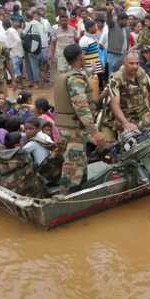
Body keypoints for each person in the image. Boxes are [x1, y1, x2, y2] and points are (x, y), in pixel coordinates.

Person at [53, 44, 107, 191]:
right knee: (73, 167)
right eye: (83, 54)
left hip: (64, 128)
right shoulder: (75, 79)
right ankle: (65, 198)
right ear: (80, 57)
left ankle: (79, 190)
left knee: (79, 162)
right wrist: (95, 132)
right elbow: (81, 107)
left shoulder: (62, 76)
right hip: (74, 130)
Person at [100, 51, 150, 139]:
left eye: (137, 63)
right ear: (124, 63)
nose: (135, 66)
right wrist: (125, 123)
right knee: (121, 142)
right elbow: (115, 104)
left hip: (140, 113)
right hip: (121, 116)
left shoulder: (143, 75)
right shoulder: (116, 79)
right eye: (131, 63)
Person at [0, 131, 47, 197]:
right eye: (21, 140)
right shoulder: (23, 155)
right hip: (20, 191)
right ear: (17, 145)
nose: (23, 142)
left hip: (3, 187)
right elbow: (33, 169)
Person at [50, 14, 78, 80]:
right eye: (62, 21)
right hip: (61, 55)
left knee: (71, 72)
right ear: (59, 21)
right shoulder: (56, 31)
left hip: (71, 55)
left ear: (68, 20)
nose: (64, 22)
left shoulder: (73, 30)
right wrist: (52, 55)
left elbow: (76, 42)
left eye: (65, 20)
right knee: (61, 73)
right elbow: (53, 43)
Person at [106, 7, 130, 74]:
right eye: (125, 20)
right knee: (111, 74)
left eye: (127, 20)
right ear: (119, 20)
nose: (126, 22)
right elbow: (109, 20)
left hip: (123, 55)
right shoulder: (113, 26)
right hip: (113, 55)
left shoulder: (126, 29)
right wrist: (109, 12)